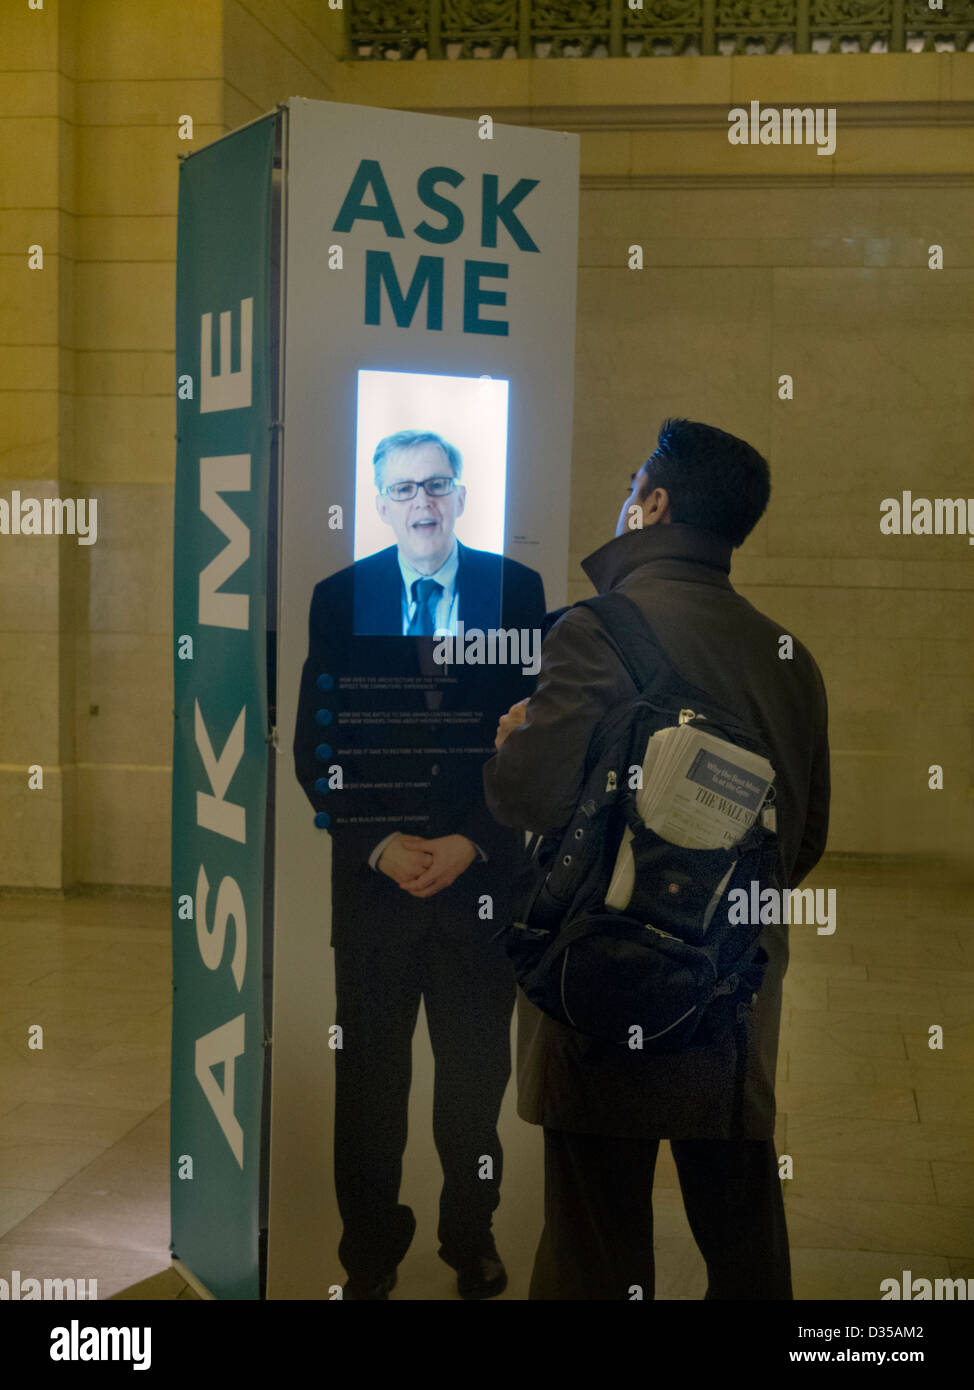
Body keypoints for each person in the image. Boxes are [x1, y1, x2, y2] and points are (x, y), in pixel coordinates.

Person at [483, 417, 830, 1301]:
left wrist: (514, 739)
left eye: (633, 481)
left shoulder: (595, 630)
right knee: (744, 1235)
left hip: (602, 987)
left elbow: (525, 797)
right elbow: (806, 840)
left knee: (594, 1240)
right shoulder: (793, 656)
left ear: (655, 505)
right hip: (732, 990)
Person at [294, 428, 545, 1300]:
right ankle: (369, 1256)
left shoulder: (516, 592)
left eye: (437, 485)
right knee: (369, 1096)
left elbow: (534, 743)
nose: (422, 504)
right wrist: (379, 843)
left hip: (480, 892)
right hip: (375, 894)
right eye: (402, 490)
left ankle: (467, 1241)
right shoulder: (342, 596)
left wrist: (474, 837)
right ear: (379, 504)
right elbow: (315, 748)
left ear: (463, 494)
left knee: (472, 1092)